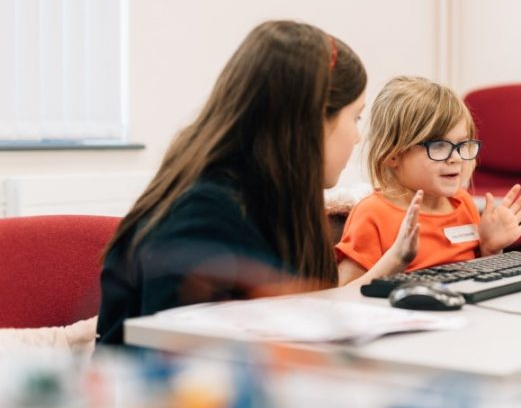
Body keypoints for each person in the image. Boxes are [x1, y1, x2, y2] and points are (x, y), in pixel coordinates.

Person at [97, 21, 421, 345]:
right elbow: (183, 358)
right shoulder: (203, 215)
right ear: (312, 119)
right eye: (356, 117)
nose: (358, 136)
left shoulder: (269, 201)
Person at [336, 76, 521, 285]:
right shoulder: (373, 213)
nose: (456, 157)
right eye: (439, 146)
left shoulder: (463, 204)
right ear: (393, 154)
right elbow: (344, 293)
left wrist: (490, 249)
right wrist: (394, 262)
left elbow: (477, 282)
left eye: (462, 144)